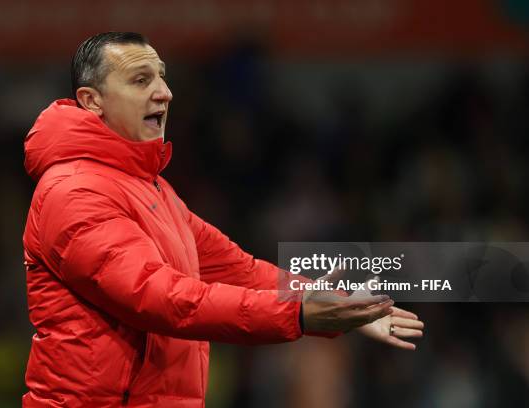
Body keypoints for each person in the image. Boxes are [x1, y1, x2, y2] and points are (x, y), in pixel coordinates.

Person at [22, 32, 424, 407]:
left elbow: (239, 272)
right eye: (141, 80)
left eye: (162, 78)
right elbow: (158, 297)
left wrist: (341, 307)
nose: (164, 93)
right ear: (92, 101)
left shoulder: (151, 189)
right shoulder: (74, 191)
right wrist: (298, 314)